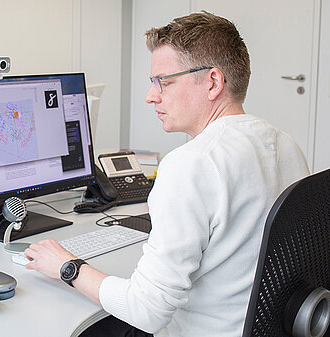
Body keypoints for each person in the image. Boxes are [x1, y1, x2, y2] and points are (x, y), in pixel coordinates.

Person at [23, 11, 310, 337]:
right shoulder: (286, 144)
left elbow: (146, 311)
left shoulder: (192, 163)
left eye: (165, 82)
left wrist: (67, 266)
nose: (151, 96)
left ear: (213, 82)